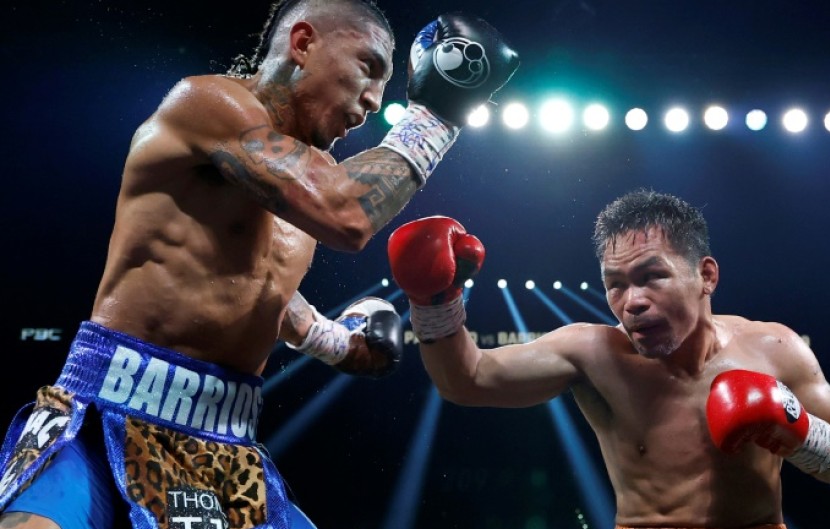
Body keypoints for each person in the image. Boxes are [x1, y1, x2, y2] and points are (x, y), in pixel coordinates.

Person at [0, 1, 519, 527]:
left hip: (227, 446)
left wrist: (341, 342)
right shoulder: (207, 104)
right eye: (369, 68)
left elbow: (257, 289)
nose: (373, 100)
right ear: (303, 43)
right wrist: (437, 115)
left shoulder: (312, 178)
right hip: (107, 407)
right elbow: (346, 215)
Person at [386, 189, 830, 529]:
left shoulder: (773, 347)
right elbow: (466, 379)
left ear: (706, 276)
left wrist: (801, 432)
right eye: (615, 284)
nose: (632, 301)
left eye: (651, 277)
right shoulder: (594, 352)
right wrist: (434, 302)